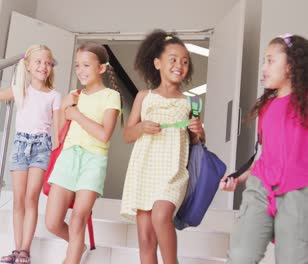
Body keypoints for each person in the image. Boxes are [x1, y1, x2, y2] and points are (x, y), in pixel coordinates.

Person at [0, 44, 61, 264]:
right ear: (27, 66)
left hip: (41, 147)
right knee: (18, 200)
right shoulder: (21, 90)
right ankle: (17, 249)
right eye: (38, 62)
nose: (43, 66)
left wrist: (58, 155)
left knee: (31, 198)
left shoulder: (54, 95)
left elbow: (57, 130)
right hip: (20, 146)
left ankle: (25, 250)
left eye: (47, 63)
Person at [220, 33, 308, 263]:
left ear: (290, 65)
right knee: (240, 256)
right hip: (260, 189)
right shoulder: (266, 108)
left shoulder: (305, 103)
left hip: (299, 193)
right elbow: (269, 156)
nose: (263, 68)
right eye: (264, 61)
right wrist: (240, 178)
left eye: (270, 61)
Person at [120, 30, 204, 264]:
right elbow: (127, 134)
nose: (180, 65)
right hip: (144, 169)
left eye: (185, 61)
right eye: (174, 59)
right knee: (146, 240)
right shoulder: (143, 96)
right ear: (157, 63)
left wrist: (198, 133)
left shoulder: (192, 102)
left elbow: (197, 142)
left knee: (160, 217)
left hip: (173, 171)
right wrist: (141, 127)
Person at [44, 41, 122, 264]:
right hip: (68, 157)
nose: (81, 71)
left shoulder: (111, 96)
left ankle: (73, 256)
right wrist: (63, 107)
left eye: (86, 65)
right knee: (52, 222)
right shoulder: (73, 95)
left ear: (101, 68)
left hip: (94, 160)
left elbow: (104, 134)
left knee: (78, 218)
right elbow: (59, 132)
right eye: (78, 66)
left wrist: (76, 115)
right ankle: (79, 246)